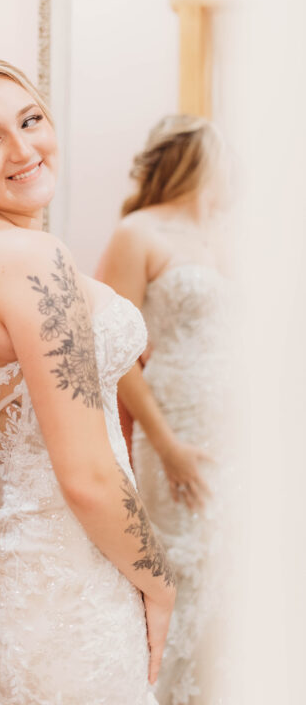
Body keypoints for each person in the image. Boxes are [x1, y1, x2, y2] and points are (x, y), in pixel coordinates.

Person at [0, 58, 176, 705]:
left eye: (31, 121)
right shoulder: (30, 259)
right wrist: (162, 585)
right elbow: (87, 475)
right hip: (65, 580)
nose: (23, 149)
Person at [96, 115, 233, 705]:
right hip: (174, 425)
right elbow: (113, 350)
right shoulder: (139, 234)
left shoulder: (229, 235)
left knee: (232, 574)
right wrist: (168, 445)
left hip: (239, 430)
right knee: (182, 567)